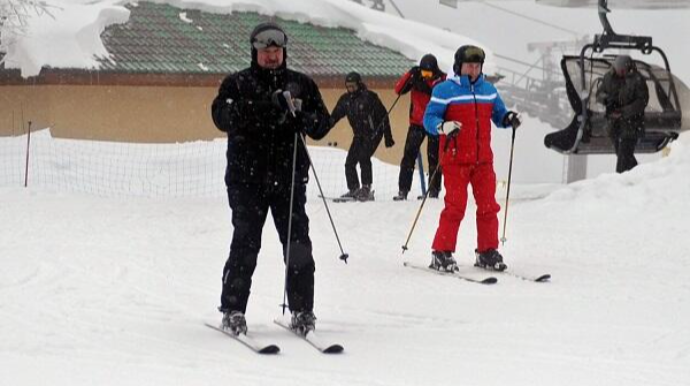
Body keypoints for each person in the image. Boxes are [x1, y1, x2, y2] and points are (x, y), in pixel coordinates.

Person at [211, 22, 331, 335]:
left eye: (276, 51)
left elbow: (322, 124)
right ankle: (233, 310)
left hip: (289, 181)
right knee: (245, 245)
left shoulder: (301, 84)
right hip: (247, 180)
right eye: (266, 51)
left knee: (298, 247)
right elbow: (222, 117)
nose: (272, 56)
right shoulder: (237, 84)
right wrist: (267, 107)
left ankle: (303, 311)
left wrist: (302, 116)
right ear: (255, 52)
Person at [423, 45, 522, 272]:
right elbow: (429, 119)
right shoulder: (444, 90)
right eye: (469, 66)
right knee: (455, 207)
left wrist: (509, 119)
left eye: (477, 66)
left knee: (488, 206)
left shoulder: (488, 89)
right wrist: (443, 126)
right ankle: (441, 252)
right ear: (459, 66)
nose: (473, 70)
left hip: (482, 161)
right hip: (455, 158)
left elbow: (498, 115)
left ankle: (487, 251)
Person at [330, 72, 395, 201]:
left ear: (359, 84)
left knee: (364, 157)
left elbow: (384, 116)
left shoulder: (370, 97)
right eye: (348, 87)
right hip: (359, 134)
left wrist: (388, 137)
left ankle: (366, 188)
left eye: (353, 86)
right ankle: (354, 189)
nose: (351, 89)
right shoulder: (345, 100)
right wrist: (325, 125)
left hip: (373, 133)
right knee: (350, 162)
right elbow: (335, 116)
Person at [393, 54, 446, 201]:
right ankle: (403, 190)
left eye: (429, 73)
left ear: (435, 71)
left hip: (435, 124)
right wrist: (410, 74)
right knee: (408, 157)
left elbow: (445, 96)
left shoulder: (442, 80)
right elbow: (398, 90)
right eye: (423, 73)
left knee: (434, 159)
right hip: (416, 123)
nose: (426, 76)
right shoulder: (415, 77)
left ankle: (433, 192)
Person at [596, 55, 649, 173]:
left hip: (632, 125)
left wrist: (624, 111)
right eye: (619, 71)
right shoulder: (608, 78)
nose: (622, 73)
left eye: (624, 71)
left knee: (623, 157)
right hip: (614, 125)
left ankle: (619, 180)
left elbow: (642, 101)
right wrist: (607, 100)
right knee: (621, 153)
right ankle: (640, 174)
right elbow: (599, 94)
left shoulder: (637, 80)